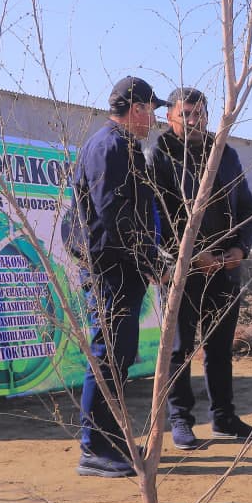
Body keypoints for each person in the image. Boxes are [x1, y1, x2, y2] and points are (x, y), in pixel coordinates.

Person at [68, 76, 167, 478]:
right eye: (153, 110)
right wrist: (151, 262)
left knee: (119, 356)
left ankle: (111, 440)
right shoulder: (111, 147)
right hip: (110, 266)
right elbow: (115, 215)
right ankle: (94, 447)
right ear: (138, 108)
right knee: (108, 356)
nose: (155, 119)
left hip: (121, 264)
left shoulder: (121, 145)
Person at [149, 87, 252, 447]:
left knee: (219, 347)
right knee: (179, 350)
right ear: (170, 117)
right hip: (184, 270)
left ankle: (224, 418)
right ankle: (180, 420)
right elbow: (157, 219)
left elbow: (246, 206)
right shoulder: (160, 156)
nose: (194, 122)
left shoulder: (223, 153)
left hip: (225, 268)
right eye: (186, 115)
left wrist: (239, 249)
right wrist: (191, 255)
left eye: (200, 114)